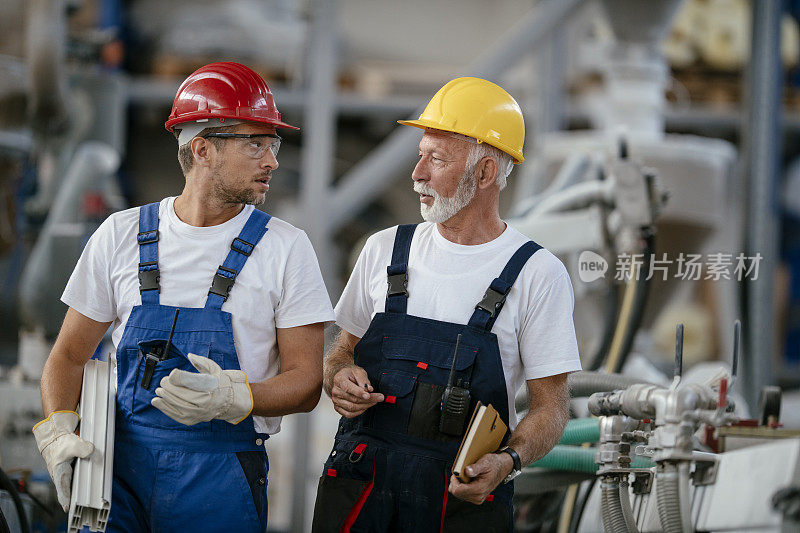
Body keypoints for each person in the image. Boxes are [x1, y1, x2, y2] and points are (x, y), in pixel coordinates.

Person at [33, 62, 335, 532]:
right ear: (203, 149)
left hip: (222, 480)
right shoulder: (122, 234)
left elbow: (306, 383)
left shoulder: (286, 248)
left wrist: (236, 397)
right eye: (256, 143)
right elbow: (69, 355)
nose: (272, 161)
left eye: (273, 145)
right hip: (117, 474)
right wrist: (57, 430)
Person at [312, 77, 581, 532]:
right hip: (361, 488)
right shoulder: (383, 250)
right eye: (421, 155)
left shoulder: (538, 275)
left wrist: (508, 461)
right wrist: (337, 376)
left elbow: (551, 409)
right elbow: (341, 349)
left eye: (436, 159)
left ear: (485, 173)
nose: (417, 173)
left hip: (459, 500)